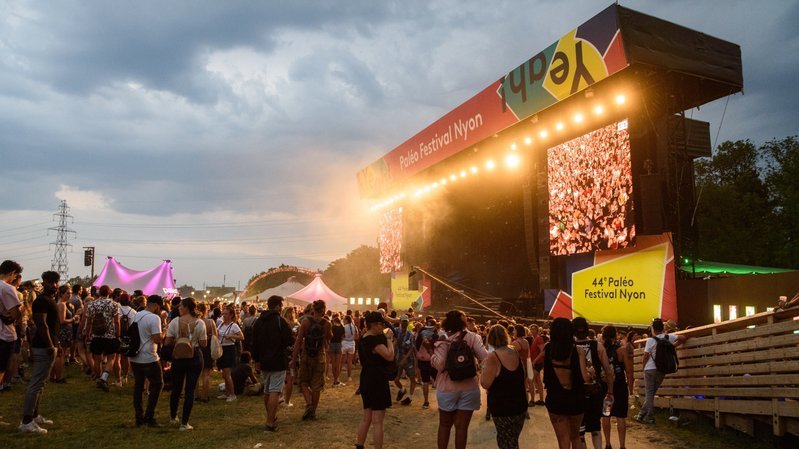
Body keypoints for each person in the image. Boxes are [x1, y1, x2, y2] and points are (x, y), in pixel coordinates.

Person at [431, 310, 489, 449]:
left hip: (447, 387)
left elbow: (440, 365)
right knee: (462, 428)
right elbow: (484, 357)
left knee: (444, 425)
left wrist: (432, 357)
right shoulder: (473, 337)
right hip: (469, 386)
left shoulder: (443, 339)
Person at [19, 270, 61, 434]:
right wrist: (50, 345)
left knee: (41, 384)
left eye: (56, 282)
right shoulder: (42, 301)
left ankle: (34, 415)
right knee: (36, 384)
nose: (55, 285)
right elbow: (41, 324)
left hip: (48, 345)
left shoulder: (48, 299)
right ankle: (26, 421)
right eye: (51, 282)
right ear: (44, 283)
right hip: (43, 347)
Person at [544, 318, 591, 449]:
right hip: (575, 399)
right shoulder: (578, 350)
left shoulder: (548, 349)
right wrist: (590, 372)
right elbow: (585, 378)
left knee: (562, 440)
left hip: (555, 399)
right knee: (575, 437)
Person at [481, 324, 528, 449]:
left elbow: (485, 383)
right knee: (513, 440)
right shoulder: (515, 352)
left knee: (505, 442)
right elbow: (522, 375)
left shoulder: (493, 357)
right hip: (520, 405)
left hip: (502, 408)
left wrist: (483, 367)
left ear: (490, 339)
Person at [252, 295, 294, 432]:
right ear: (277, 306)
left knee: (267, 391)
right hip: (277, 360)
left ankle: (271, 416)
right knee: (275, 391)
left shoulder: (259, 321)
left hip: (263, 360)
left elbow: (254, 342)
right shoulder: (279, 321)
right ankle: (270, 422)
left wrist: (256, 360)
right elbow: (289, 339)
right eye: (281, 306)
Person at [164, 297, 207, 430]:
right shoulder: (200, 323)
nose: (179, 308)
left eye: (181, 306)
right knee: (190, 390)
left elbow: (166, 342)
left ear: (187, 307)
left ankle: (173, 417)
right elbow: (204, 344)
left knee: (176, 388)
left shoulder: (175, 322)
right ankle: (184, 422)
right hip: (194, 356)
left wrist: (178, 341)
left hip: (178, 357)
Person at [355, 311, 395, 449]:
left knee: (367, 417)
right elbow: (389, 356)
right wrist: (389, 340)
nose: (383, 327)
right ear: (375, 325)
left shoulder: (364, 338)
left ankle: (359, 445)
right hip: (376, 379)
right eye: (381, 324)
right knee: (378, 421)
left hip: (366, 378)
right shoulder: (374, 340)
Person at [636, 318, 688, 424]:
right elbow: (683, 338)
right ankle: (641, 414)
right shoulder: (668, 337)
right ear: (663, 328)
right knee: (651, 393)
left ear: (653, 329)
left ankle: (649, 417)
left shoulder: (650, 340)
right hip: (661, 369)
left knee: (649, 393)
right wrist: (672, 347)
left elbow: (645, 356)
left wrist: (643, 368)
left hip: (649, 369)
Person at [292, 299, 332, 421]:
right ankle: (313, 412)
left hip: (306, 355)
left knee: (303, 382)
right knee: (316, 386)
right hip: (320, 356)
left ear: (313, 310)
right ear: (323, 310)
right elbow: (329, 338)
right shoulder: (327, 323)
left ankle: (309, 403)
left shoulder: (305, 322)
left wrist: (293, 358)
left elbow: (298, 341)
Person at [130, 295, 165, 428]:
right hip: (149, 357)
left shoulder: (137, 315)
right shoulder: (154, 318)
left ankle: (139, 417)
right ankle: (149, 416)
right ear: (156, 305)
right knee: (157, 384)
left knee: (138, 387)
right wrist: (164, 332)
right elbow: (157, 339)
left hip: (135, 357)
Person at [601, 325, 633, 449]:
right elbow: (629, 371)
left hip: (606, 387)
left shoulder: (601, 349)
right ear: (616, 335)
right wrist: (630, 388)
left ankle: (608, 444)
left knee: (606, 415)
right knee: (620, 417)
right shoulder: (622, 350)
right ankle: (622, 445)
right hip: (619, 386)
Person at [85, 285, 121, 392]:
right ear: (109, 293)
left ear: (99, 293)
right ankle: (103, 378)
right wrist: (118, 335)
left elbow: (89, 322)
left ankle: (99, 378)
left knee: (97, 359)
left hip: (96, 335)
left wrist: (87, 334)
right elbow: (117, 321)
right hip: (110, 335)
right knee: (111, 358)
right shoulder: (114, 304)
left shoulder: (91, 304)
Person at [0, 260, 23, 393]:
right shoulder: (7, 288)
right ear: (12, 273)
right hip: (4, 334)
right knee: (2, 368)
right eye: (15, 276)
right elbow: (15, 314)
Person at [217, 304, 244, 402]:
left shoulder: (234, 325)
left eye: (226, 314)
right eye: (223, 313)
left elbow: (241, 337)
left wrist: (231, 336)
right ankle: (227, 392)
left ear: (231, 315)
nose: (224, 315)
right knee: (224, 374)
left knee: (227, 374)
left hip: (229, 349)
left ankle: (232, 394)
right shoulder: (221, 324)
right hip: (222, 349)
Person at [51, 284, 75, 383]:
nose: (69, 295)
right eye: (67, 293)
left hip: (61, 331)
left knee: (59, 354)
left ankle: (53, 376)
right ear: (61, 294)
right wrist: (73, 319)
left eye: (70, 293)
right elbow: (62, 320)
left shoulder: (62, 303)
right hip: (63, 331)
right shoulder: (62, 304)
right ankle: (59, 376)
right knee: (61, 355)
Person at [195, 303, 218, 402]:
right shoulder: (210, 322)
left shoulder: (195, 322)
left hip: (197, 347)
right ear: (206, 310)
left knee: (196, 374)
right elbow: (215, 336)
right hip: (207, 348)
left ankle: (196, 396)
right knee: (206, 373)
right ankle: (205, 396)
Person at [393, 315, 416, 405]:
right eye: (403, 321)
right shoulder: (396, 331)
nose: (404, 323)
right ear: (400, 322)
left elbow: (411, 349)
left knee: (412, 378)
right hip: (398, 358)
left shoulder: (410, 334)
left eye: (406, 321)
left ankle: (410, 397)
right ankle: (402, 390)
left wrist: (405, 358)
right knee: (396, 379)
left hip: (408, 359)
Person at [415, 317, 437, 409]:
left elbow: (416, 346)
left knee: (425, 382)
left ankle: (426, 401)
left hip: (422, 361)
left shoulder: (420, 335)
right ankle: (441, 403)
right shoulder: (436, 335)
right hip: (433, 360)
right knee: (438, 382)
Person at [529, 324, 547, 406]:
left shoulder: (538, 339)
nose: (532, 330)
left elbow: (543, 351)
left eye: (534, 329)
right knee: (538, 380)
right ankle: (541, 399)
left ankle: (532, 400)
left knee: (530, 380)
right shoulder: (534, 339)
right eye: (531, 329)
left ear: (537, 330)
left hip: (538, 363)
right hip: (536, 362)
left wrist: (535, 361)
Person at [341, 314, 359, 382]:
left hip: (344, 343)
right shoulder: (354, 327)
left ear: (346, 320)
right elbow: (357, 337)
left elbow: (341, 336)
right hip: (352, 343)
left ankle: (337, 376)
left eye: (344, 319)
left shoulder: (344, 327)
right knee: (349, 361)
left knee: (341, 361)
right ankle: (349, 377)